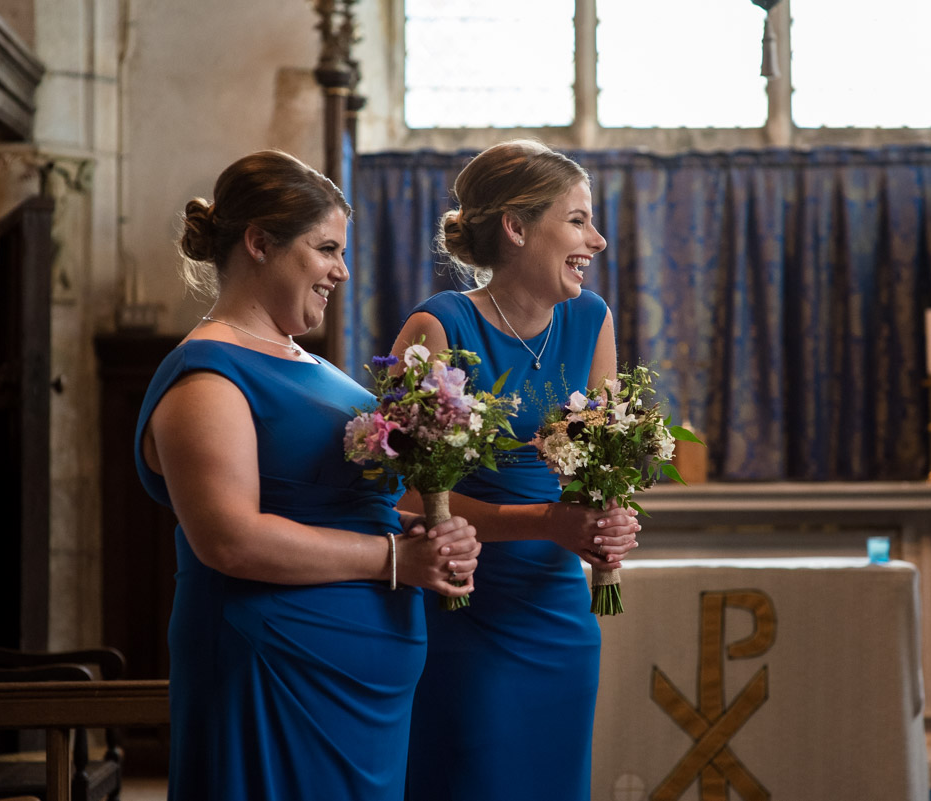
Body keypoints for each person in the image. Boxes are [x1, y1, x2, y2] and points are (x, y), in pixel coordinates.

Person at [133, 150, 480, 801]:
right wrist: (396, 559)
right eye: (326, 249)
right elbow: (230, 539)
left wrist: (423, 530)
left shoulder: (307, 362)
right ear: (260, 242)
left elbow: (330, 500)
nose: (342, 271)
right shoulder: (208, 376)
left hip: (361, 698)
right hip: (274, 676)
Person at [394, 140, 641, 801]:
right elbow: (400, 498)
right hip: (463, 609)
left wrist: (607, 521)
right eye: (579, 219)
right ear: (515, 227)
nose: (600, 239)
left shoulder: (592, 319)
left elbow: (599, 460)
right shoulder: (437, 326)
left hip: (559, 613)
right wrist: (547, 521)